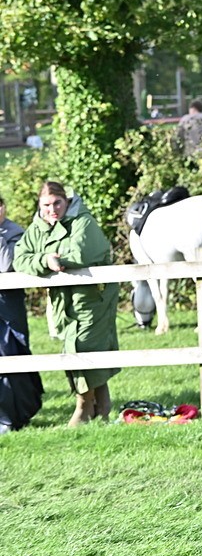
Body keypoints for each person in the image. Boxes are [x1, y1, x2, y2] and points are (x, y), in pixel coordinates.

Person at [14, 182, 119, 426]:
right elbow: (21, 258)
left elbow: (80, 253)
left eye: (57, 203)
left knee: (82, 346)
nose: (53, 210)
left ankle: (83, 408)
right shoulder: (37, 227)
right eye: (47, 205)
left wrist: (52, 260)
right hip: (63, 299)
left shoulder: (83, 221)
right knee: (77, 347)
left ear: (66, 201)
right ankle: (102, 407)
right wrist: (44, 259)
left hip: (93, 296)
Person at [0, 196, 43, 432]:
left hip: (7, 308)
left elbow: (5, 265)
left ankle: (11, 417)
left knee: (10, 355)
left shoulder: (15, 232)